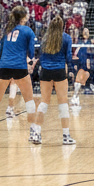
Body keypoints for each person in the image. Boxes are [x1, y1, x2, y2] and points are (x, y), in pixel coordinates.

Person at [0, 6, 38, 144]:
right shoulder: (28, 31)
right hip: (19, 67)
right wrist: (29, 60)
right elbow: (31, 53)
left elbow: (0, 50)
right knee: (29, 100)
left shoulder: (7, 30)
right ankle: (34, 133)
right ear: (23, 17)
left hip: (4, 66)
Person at [33, 15, 75, 146]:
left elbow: (40, 55)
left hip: (45, 71)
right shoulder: (66, 38)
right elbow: (68, 56)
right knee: (63, 103)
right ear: (62, 26)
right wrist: (71, 69)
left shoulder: (45, 38)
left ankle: (37, 134)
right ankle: (66, 136)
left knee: (44, 102)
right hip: (59, 71)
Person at [72, 27, 91, 107]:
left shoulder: (90, 43)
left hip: (87, 65)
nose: (86, 33)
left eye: (87, 31)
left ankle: (76, 96)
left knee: (81, 82)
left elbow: (90, 54)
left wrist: (89, 61)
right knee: (78, 81)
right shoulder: (79, 42)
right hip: (80, 64)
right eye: (84, 31)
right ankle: (75, 97)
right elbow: (76, 53)